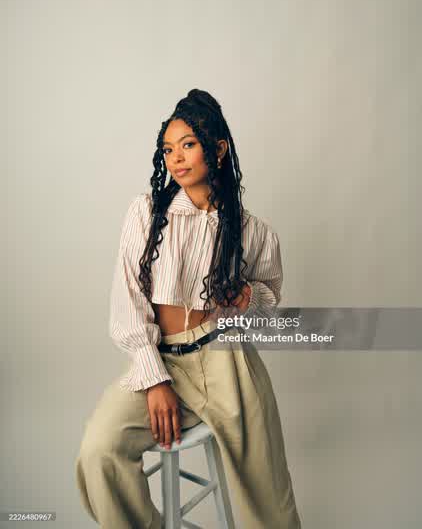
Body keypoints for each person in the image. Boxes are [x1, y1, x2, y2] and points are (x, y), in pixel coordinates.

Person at [75, 89, 303, 528]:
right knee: (99, 451)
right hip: (163, 359)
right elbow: (127, 302)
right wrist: (155, 379)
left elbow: (270, 304)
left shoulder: (252, 231)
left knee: (268, 497)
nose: (176, 158)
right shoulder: (147, 214)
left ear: (218, 149)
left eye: (188, 145)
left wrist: (248, 297)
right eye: (168, 149)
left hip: (227, 363)